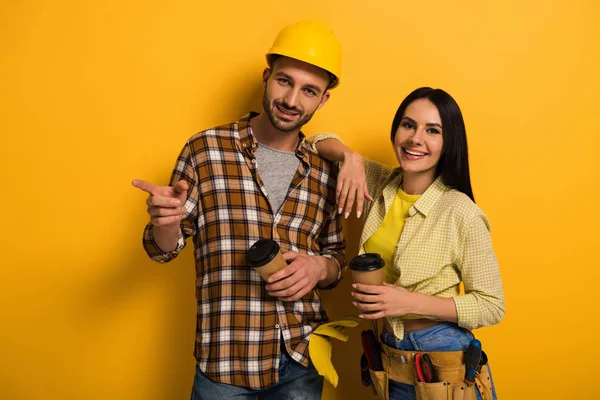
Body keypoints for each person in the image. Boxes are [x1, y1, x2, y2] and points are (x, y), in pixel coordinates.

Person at [132, 20, 347, 400]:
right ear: (267, 77)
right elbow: (163, 248)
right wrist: (165, 222)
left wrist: (319, 267)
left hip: (301, 356)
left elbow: (336, 260)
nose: (292, 100)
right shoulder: (205, 150)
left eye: (309, 90)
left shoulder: (326, 170)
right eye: (284, 81)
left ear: (323, 99)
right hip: (226, 362)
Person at [309, 87, 505, 399]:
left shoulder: (461, 211)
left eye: (432, 130)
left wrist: (409, 302)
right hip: (390, 358)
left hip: (444, 360)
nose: (415, 138)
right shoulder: (381, 183)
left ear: (448, 142)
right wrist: (352, 157)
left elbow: (492, 306)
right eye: (408, 124)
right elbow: (317, 141)